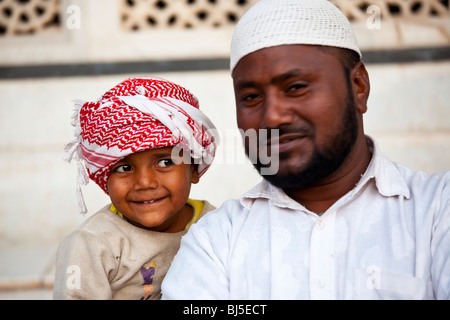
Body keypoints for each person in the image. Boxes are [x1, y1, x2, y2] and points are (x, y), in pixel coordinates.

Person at [161, 0, 450, 299]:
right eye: (250, 97)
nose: (272, 116)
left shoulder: (437, 211)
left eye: (296, 87)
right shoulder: (215, 241)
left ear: (359, 86)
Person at [53, 76, 219, 299]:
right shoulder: (91, 245)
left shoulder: (215, 226)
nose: (144, 183)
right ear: (105, 179)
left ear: (194, 169)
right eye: (124, 167)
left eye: (165, 162)